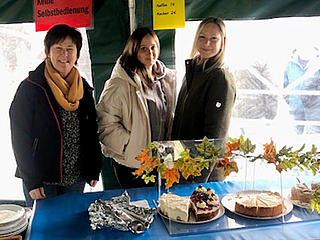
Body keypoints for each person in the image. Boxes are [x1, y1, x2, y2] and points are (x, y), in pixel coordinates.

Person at [9, 24, 102, 207]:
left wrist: (93, 168)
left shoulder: (83, 88)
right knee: (45, 231)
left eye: (70, 49)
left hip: (75, 176)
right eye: (58, 48)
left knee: (70, 226)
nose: (64, 55)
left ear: (77, 54)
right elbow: (20, 137)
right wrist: (32, 181)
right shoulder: (31, 87)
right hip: (43, 179)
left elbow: (91, 132)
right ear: (48, 52)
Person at [96, 27, 175, 189]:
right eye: (143, 49)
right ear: (134, 51)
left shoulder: (165, 79)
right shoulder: (120, 83)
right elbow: (105, 122)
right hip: (133, 164)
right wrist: (128, 145)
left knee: (160, 205)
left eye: (153, 47)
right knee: (138, 209)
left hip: (160, 161)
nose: (150, 53)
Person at [171, 17, 236, 182]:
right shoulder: (193, 70)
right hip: (184, 165)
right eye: (202, 37)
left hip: (202, 174)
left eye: (214, 38)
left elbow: (215, 135)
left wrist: (198, 180)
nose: (207, 43)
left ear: (223, 42)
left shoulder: (220, 78)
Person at [283, 45, 320, 134]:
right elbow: (285, 85)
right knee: (294, 141)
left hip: (315, 111)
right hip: (295, 109)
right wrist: (291, 100)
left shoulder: (317, 64)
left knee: (313, 140)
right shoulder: (290, 64)